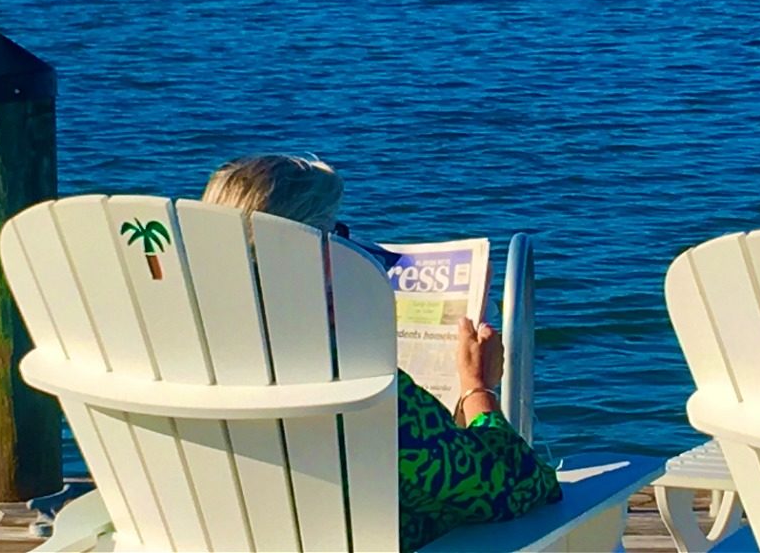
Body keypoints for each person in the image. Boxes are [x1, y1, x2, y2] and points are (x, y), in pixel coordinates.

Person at [200, 154, 561, 551]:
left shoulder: (174, 368)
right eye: (336, 233)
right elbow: (519, 485)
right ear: (308, 252)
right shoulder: (347, 383)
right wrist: (478, 389)